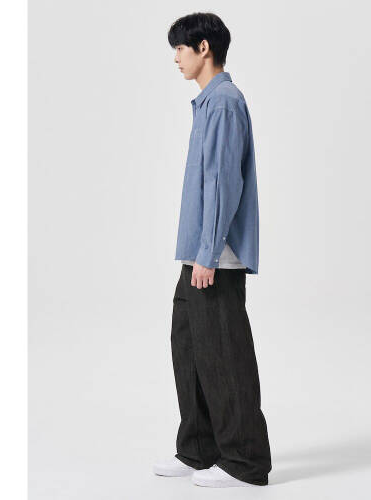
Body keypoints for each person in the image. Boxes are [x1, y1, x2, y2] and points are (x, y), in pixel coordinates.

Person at [153, 12, 272, 488]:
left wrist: (208, 253)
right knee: (189, 349)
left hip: (214, 257)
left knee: (224, 354)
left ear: (204, 48)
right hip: (198, 254)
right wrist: (197, 254)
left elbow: (223, 183)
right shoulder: (207, 103)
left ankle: (245, 461)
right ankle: (200, 449)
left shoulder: (223, 102)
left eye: (180, 48)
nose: (176, 58)